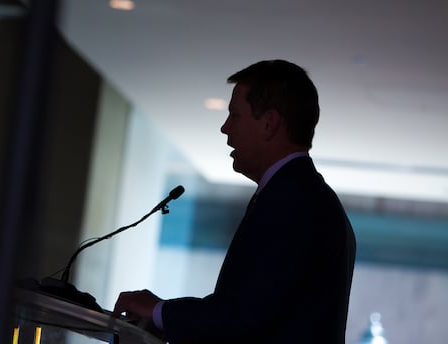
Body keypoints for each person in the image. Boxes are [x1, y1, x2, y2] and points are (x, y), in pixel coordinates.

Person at [113, 59, 356, 343]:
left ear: (269, 124)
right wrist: (165, 319)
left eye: (235, 115)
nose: (225, 128)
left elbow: (242, 317)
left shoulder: (294, 203)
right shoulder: (302, 196)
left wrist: (159, 312)